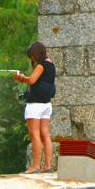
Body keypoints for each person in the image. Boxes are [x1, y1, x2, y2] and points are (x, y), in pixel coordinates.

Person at [14, 40, 56, 173]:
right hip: (46, 104)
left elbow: (32, 80)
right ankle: (48, 165)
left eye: (32, 56)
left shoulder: (41, 65)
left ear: (36, 54)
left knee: (34, 134)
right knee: (46, 135)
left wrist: (21, 78)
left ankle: (35, 166)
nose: (32, 59)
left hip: (35, 105)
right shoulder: (51, 64)